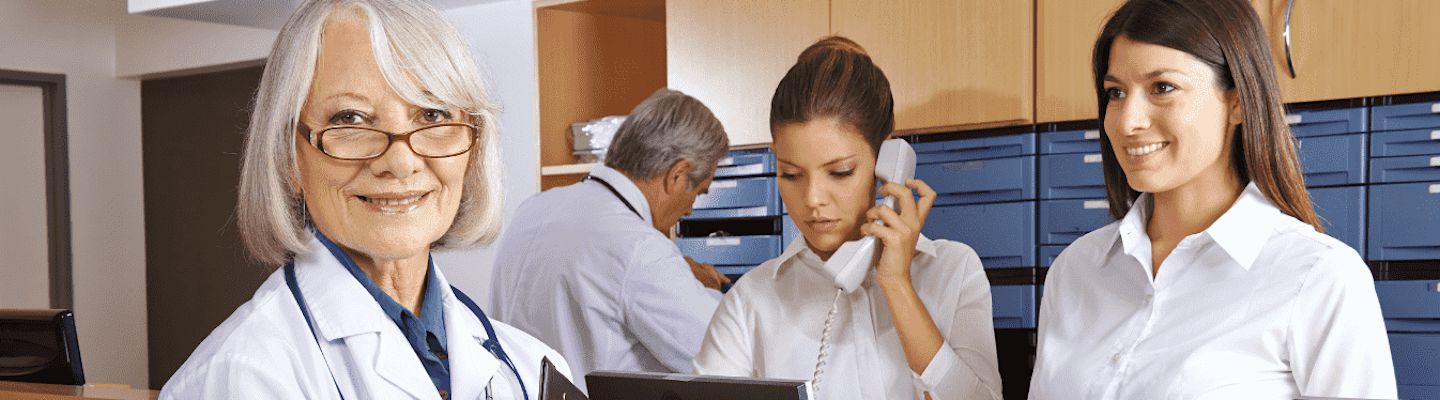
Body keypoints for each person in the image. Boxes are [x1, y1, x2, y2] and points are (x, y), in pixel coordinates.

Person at [161, 1, 569, 398]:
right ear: (288, 157)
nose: (401, 162)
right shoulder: (241, 376)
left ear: (474, 147)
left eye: (432, 115)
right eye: (350, 119)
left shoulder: (532, 369)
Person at [1028, 0, 1396, 398]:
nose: (1127, 120)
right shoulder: (1074, 272)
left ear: (1236, 102)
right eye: (1116, 92)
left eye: (1162, 88)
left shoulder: (1319, 277)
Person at [693, 36, 1003, 400]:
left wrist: (897, 285)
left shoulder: (954, 270)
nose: (812, 199)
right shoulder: (751, 301)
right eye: (791, 174)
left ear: (887, 161)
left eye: (839, 172)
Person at [488, 88, 730, 390]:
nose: (691, 208)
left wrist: (678, 272)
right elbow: (725, 353)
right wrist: (706, 287)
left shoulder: (533, 210)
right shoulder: (639, 248)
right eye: (699, 191)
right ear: (678, 175)